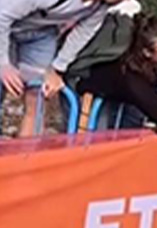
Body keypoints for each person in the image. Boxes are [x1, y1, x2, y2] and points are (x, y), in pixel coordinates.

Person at [0, 0, 125, 137]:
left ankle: (25, 155)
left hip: (40, 34)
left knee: (38, 97)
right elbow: (2, 15)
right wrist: (4, 64)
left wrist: (57, 69)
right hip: (5, 21)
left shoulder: (99, 8)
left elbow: (83, 32)